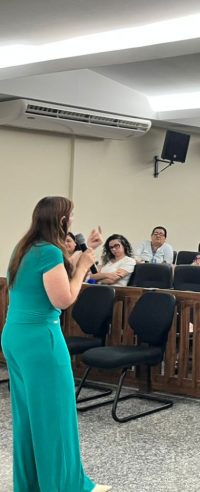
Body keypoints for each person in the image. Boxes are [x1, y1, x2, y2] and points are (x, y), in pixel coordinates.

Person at [3, 196, 111, 492]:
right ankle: (64, 486)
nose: (73, 221)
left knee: (29, 415)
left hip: (15, 336)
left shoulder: (25, 248)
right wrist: (84, 265)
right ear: (62, 220)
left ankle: (32, 484)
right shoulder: (49, 252)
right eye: (71, 217)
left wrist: (84, 252)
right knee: (56, 415)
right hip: (41, 339)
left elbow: (53, 276)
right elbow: (63, 299)